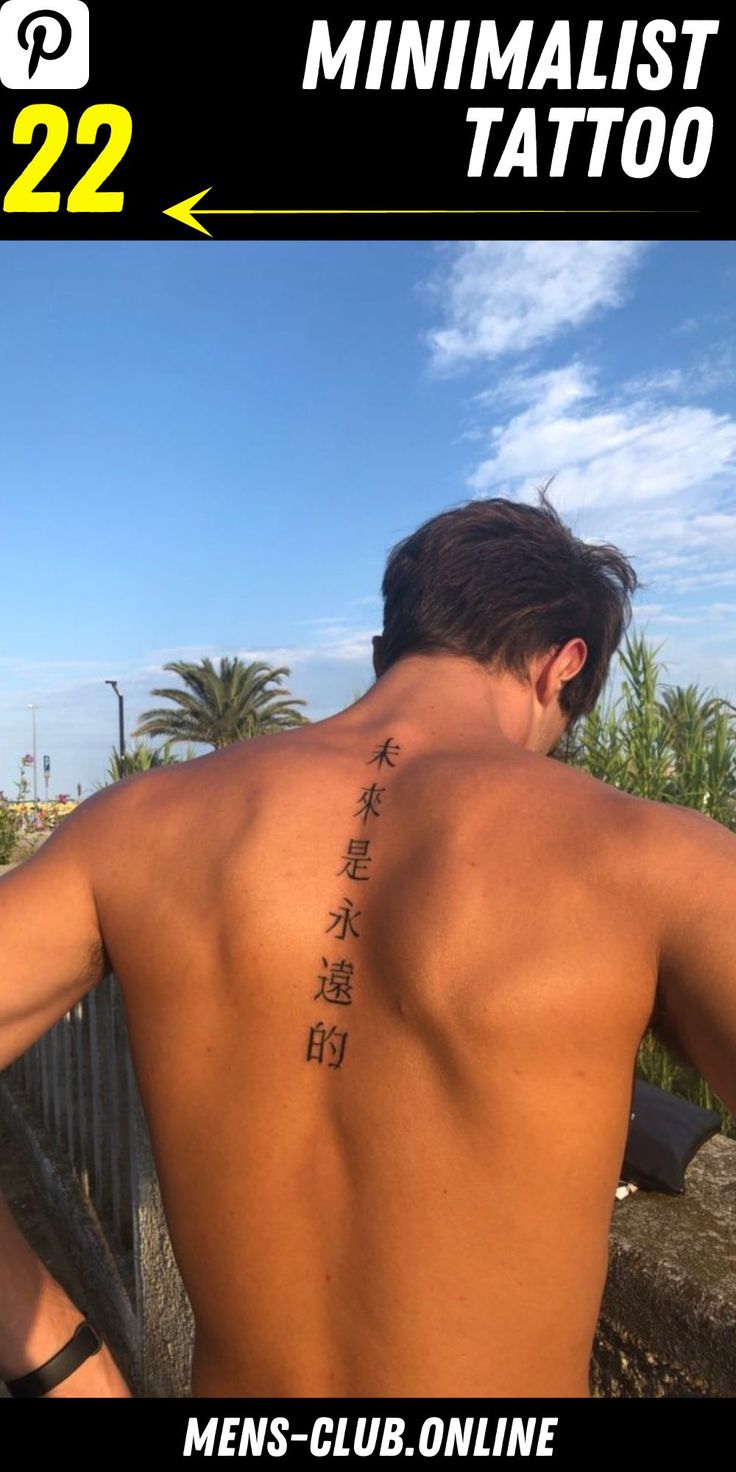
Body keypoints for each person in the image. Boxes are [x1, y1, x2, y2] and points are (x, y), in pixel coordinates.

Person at [1, 491, 735, 1399]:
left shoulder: (138, 826)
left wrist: (64, 1369)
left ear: (383, 654)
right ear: (563, 667)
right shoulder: (663, 861)